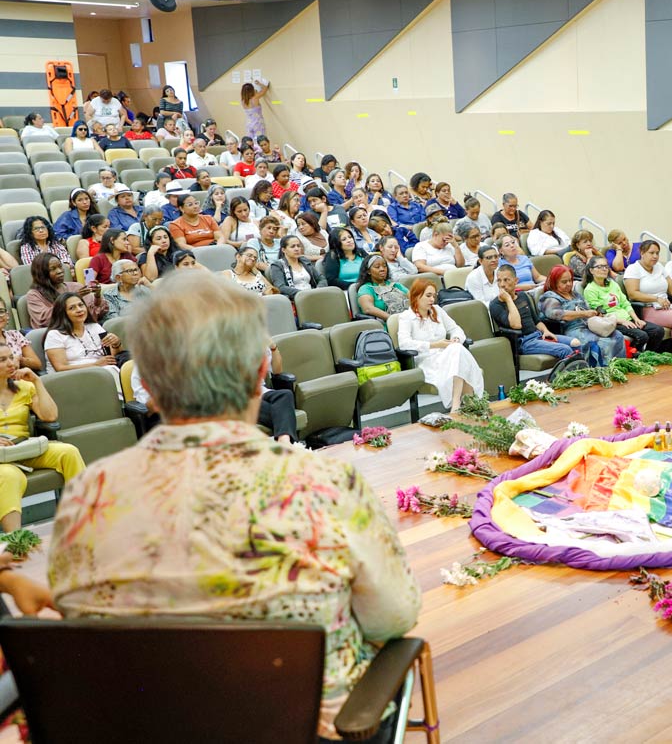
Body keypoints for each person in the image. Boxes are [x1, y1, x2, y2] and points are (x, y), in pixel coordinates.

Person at [48, 273, 420, 743]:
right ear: (260, 373)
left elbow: (74, 620)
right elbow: (394, 616)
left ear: (147, 384)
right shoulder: (322, 482)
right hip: (303, 729)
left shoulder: (86, 494)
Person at [0, 346, 84, 531]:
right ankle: (16, 542)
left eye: (12, 357)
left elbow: (50, 416)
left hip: (24, 448)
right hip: (1, 460)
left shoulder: (24, 387)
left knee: (68, 451)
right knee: (8, 476)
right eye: (2, 360)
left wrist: (37, 381)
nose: (11, 363)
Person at [398, 278, 483, 413]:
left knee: (457, 349)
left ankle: (458, 405)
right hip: (426, 360)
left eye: (434, 296)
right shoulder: (406, 317)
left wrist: (455, 338)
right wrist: (435, 345)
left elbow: (456, 329)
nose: (432, 299)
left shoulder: (437, 310)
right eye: (428, 295)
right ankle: (467, 403)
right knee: (459, 356)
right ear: (416, 295)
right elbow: (404, 344)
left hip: (447, 355)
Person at [623, 240, 672, 353]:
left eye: (657, 253)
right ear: (642, 252)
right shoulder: (633, 269)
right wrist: (656, 299)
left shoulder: (659, 267)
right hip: (648, 308)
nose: (655, 256)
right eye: (652, 253)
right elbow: (633, 294)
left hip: (666, 306)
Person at [490, 264, 579, 359]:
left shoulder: (523, 296)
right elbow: (516, 325)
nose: (502, 284)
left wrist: (545, 331)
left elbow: (536, 321)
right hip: (524, 342)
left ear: (516, 281)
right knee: (565, 350)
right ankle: (569, 373)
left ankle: (574, 372)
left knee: (575, 343)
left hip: (538, 335)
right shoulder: (496, 305)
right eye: (499, 280)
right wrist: (508, 299)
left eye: (506, 280)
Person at [540, 264, 624, 362]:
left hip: (588, 326)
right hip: (570, 329)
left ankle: (618, 366)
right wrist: (583, 314)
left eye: (570, 280)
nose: (568, 284)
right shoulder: (550, 297)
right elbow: (555, 314)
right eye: (564, 282)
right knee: (598, 342)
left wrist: (596, 314)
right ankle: (600, 372)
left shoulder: (575, 295)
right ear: (554, 282)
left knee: (617, 335)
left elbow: (587, 310)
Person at [582, 255, 663, 352]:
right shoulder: (590, 289)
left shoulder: (612, 283)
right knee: (642, 336)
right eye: (599, 267)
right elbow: (600, 314)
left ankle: (647, 356)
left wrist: (636, 319)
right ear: (591, 270)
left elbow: (625, 303)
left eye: (606, 266)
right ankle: (634, 359)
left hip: (627, 319)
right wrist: (622, 321)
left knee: (658, 331)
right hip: (612, 323)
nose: (604, 269)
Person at [44, 293, 121, 388]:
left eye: (81, 305)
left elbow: (111, 357)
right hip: (70, 379)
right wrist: (95, 365)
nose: (79, 310)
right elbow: (60, 368)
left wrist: (116, 344)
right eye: (72, 308)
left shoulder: (95, 327)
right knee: (110, 372)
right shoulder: (55, 335)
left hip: (102, 372)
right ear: (62, 313)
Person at [27, 254, 106, 329]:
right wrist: (70, 299)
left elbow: (96, 313)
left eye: (60, 266)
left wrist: (97, 296)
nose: (59, 271)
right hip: (58, 335)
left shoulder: (76, 286)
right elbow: (44, 320)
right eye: (53, 269)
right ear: (42, 273)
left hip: (85, 330)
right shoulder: (34, 295)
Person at [355, 255, 410, 322]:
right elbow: (368, 308)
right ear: (368, 271)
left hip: (407, 319)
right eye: (377, 267)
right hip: (385, 324)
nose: (382, 269)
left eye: (384, 266)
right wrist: (393, 319)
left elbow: (415, 299)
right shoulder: (366, 288)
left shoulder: (396, 285)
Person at [268, 235, 323, 300]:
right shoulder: (277, 265)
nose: (297, 249)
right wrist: (302, 294)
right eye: (292, 246)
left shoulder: (305, 261)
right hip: (295, 299)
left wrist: (318, 290)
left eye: (298, 246)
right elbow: (280, 287)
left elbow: (321, 279)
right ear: (283, 250)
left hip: (314, 295)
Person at [0, 300, 43, 371]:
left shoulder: (14, 335)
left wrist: (19, 359)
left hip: (22, 378)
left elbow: (37, 364)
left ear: (7, 315)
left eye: (1, 311)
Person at [387, 184, 425, 251]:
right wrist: (408, 227)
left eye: (406, 193)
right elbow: (395, 222)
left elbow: (424, 217)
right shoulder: (392, 207)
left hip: (421, 229)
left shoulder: (417, 205)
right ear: (395, 196)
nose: (405, 195)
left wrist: (419, 226)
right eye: (401, 194)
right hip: (406, 232)